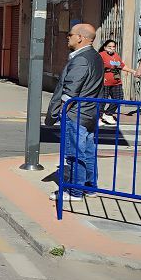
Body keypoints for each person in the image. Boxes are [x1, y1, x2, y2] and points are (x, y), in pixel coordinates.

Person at [46, 23, 104, 201]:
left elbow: (70, 92)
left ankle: (74, 191)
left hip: (77, 114)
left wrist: (62, 112)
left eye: (70, 34)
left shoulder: (81, 59)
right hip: (90, 112)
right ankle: (89, 187)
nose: (67, 37)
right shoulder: (95, 56)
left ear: (80, 37)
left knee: (74, 154)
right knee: (87, 152)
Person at [98, 39, 134, 126]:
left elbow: (122, 66)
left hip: (116, 81)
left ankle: (108, 114)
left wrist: (133, 71)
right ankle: (98, 117)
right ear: (105, 47)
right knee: (103, 100)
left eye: (113, 47)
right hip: (105, 81)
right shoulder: (101, 55)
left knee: (119, 98)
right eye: (109, 46)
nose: (112, 48)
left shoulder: (116, 55)